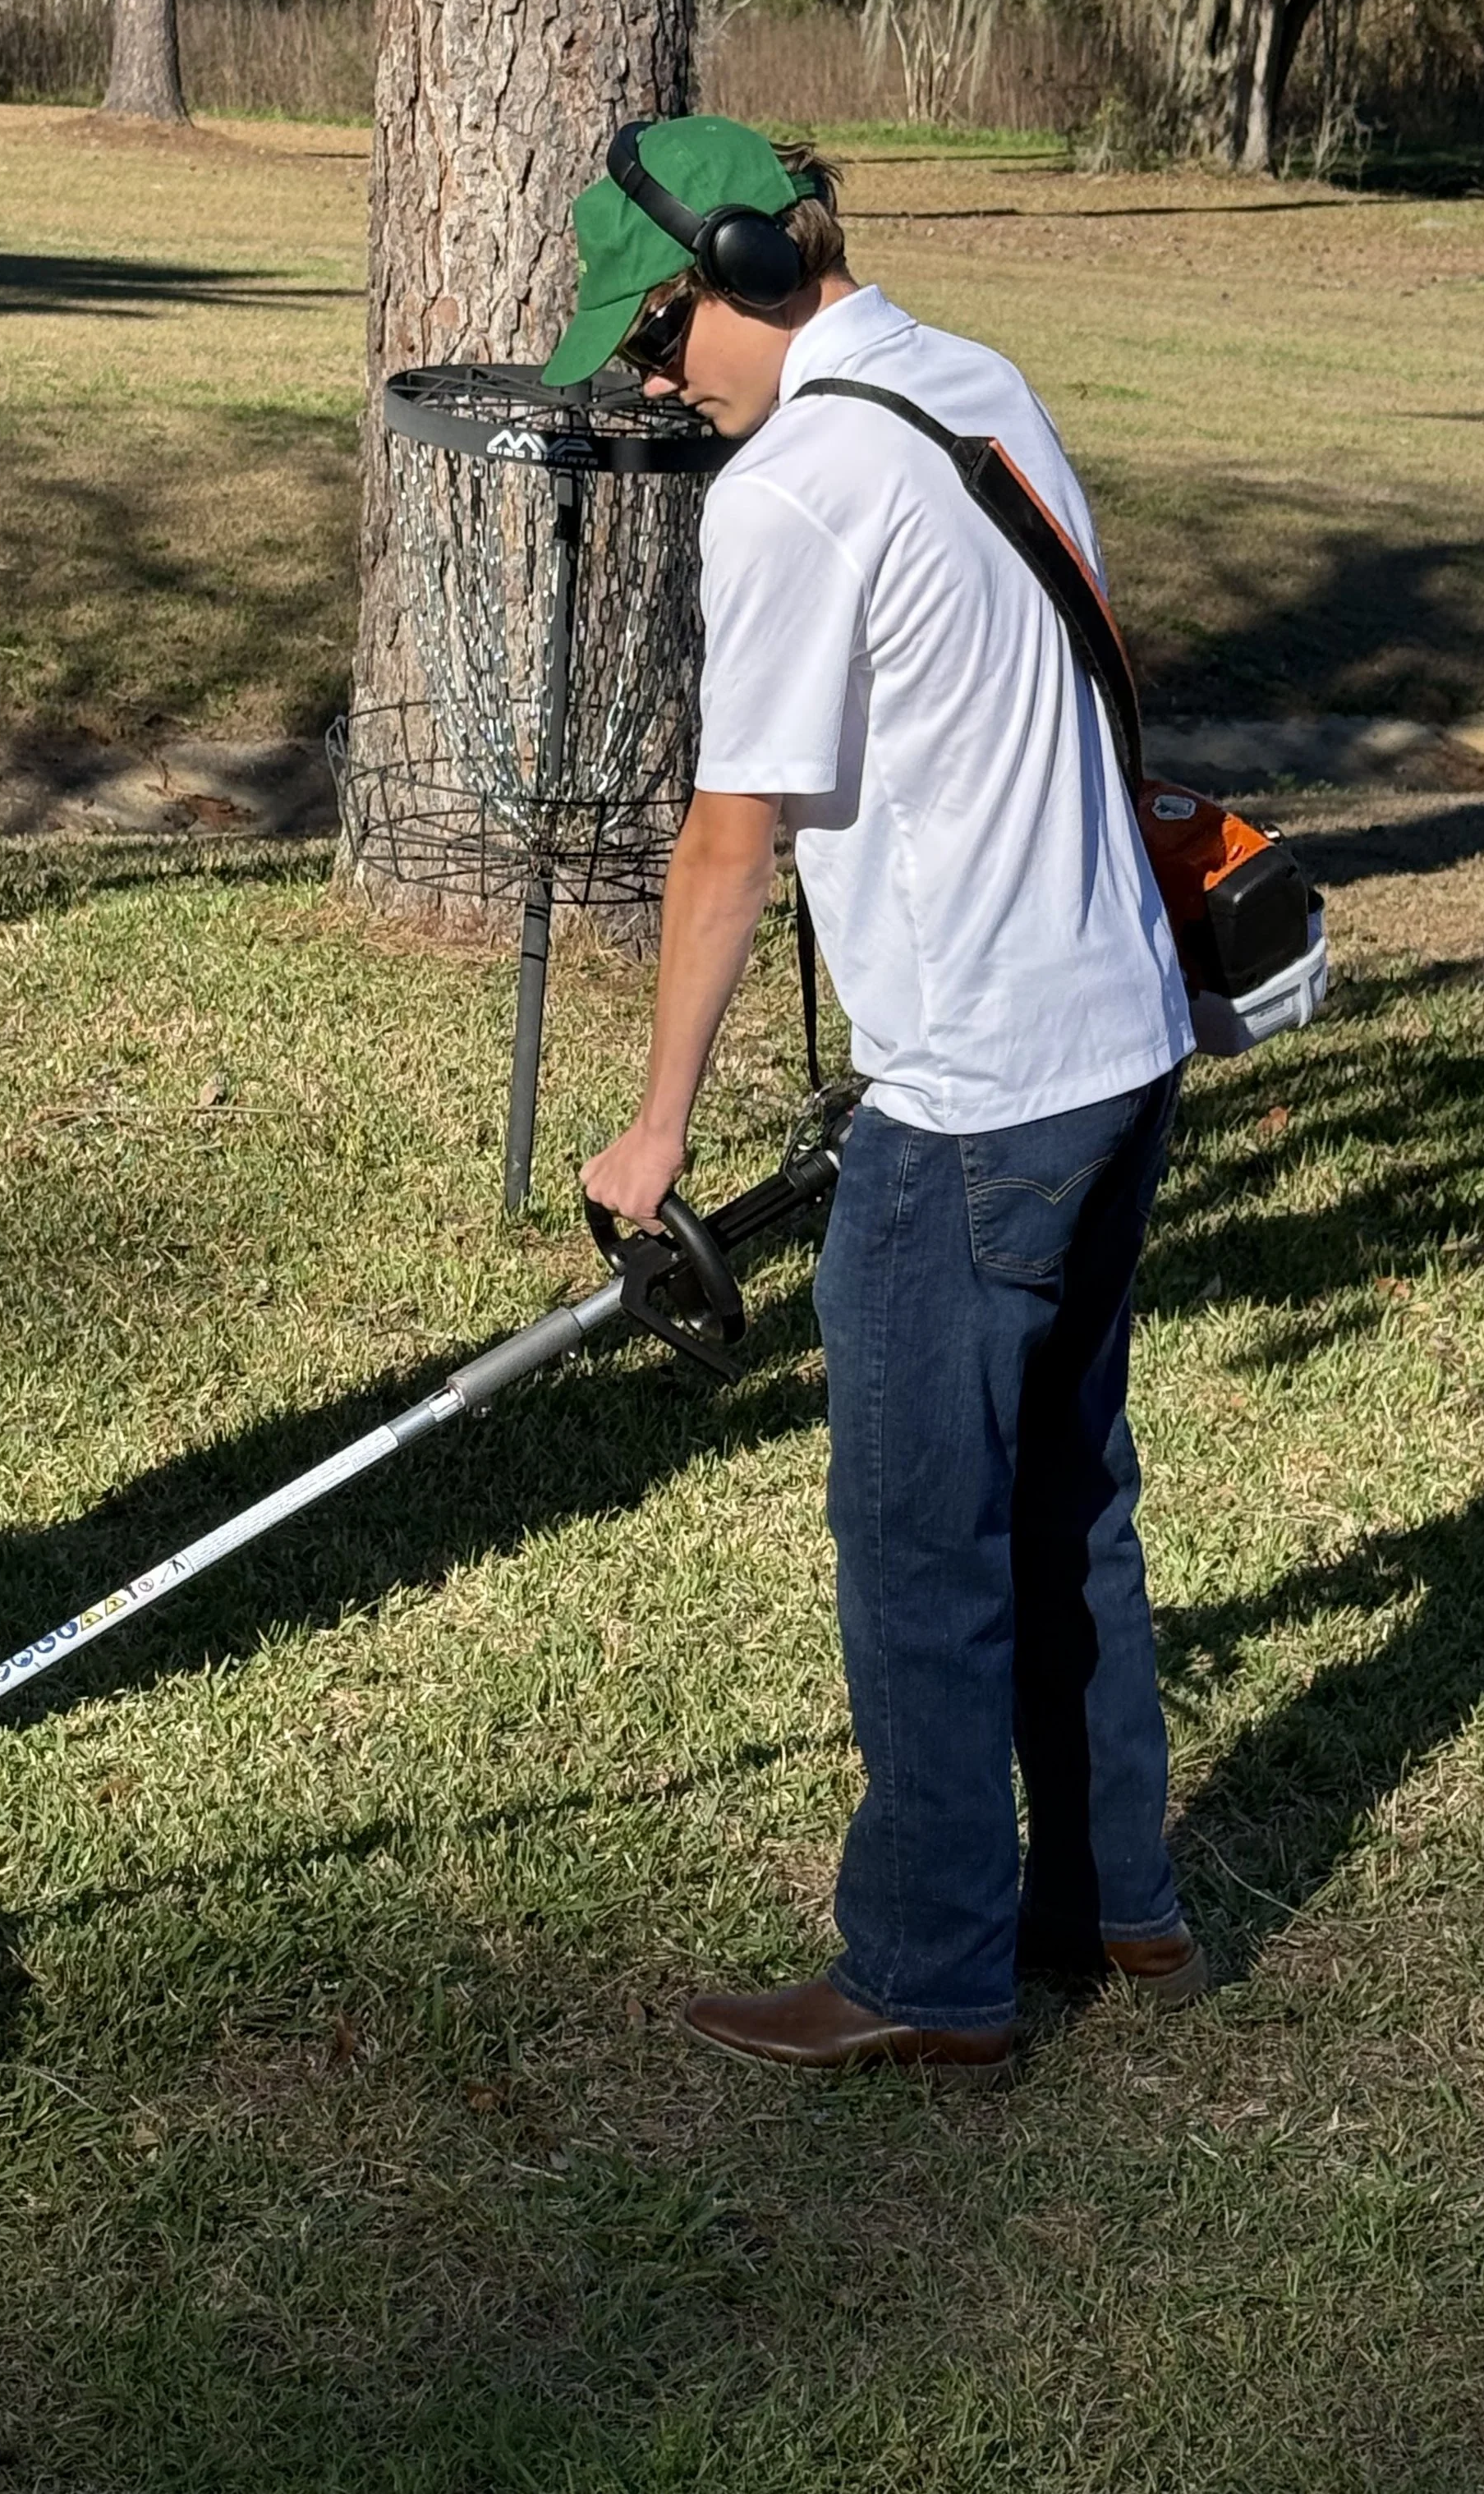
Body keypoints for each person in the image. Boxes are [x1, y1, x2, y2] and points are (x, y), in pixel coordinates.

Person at [544, 114, 1202, 2081]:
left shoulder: (797, 487)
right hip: (1118, 1042)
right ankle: (1120, 1907)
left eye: (657, 344)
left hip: (974, 1092)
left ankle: (926, 1970)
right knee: (1067, 1491)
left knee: (918, 1539)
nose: (659, 389)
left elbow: (725, 844)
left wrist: (651, 1130)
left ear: (740, 271)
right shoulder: (972, 382)